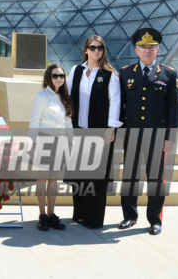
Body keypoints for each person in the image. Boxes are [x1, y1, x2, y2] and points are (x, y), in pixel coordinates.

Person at [118, 28, 178, 235]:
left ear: (158, 50)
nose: (147, 50)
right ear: (136, 51)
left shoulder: (169, 74)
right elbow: (120, 105)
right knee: (130, 178)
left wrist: (170, 137)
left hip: (157, 136)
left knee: (155, 179)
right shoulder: (126, 73)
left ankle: (155, 220)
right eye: (143, 47)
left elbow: (175, 109)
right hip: (132, 134)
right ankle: (129, 216)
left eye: (151, 47)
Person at [66, 35, 121, 229]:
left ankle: (93, 219)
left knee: (97, 177)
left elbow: (115, 102)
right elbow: (68, 96)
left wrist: (111, 128)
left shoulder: (110, 74)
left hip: (99, 131)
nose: (96, 51)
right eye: (93, 47)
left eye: (100, 48)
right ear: (86, 49)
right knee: (78, 174)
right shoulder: (76, 70)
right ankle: (79, 214)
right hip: (78, 129)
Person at [29, 64, 74, 232]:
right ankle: (42, 216)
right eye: (55, 75)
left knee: (53, 180)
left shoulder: (64, 98)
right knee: (42, 179)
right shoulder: (41, 96)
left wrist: (70, 144)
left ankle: (51, 214)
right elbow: (34, 122)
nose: (59, 78)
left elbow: (68, 123)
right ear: (49, 77)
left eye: (62, 75)